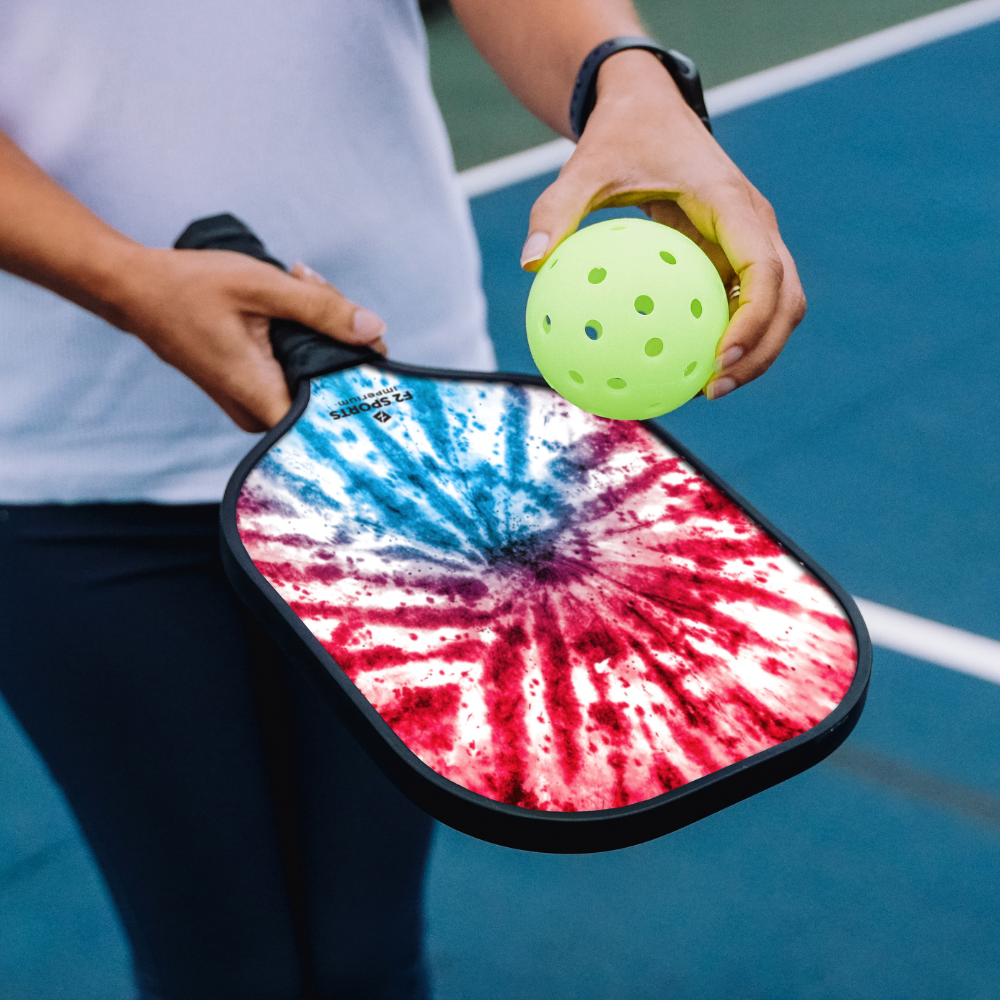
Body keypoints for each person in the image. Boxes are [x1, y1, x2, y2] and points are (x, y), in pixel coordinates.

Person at [0, 1, 805, 997]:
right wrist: (122, 278)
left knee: (365, 959)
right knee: (218, 972)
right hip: (68, 464)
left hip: (415, 439)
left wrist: (627, 76)